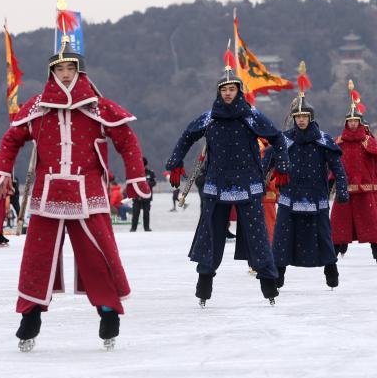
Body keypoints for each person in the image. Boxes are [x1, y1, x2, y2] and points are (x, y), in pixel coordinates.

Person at [0, 3, 151, 351]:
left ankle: (109, 311)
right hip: (47, 196)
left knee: (99, 254)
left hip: (89, 191)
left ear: (80, 70)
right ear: (51, 72)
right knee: (37, 258)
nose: (65, 74)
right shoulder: (37, 107)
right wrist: (3, 169)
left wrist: (136, 177)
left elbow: (126, 139)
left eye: (71, 67)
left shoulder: (97, 105)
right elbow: (11, 138)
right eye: (59, 68)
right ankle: (30, 315)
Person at [166, 54, 287, 306]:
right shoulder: (209, 117)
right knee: (211, 236)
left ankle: (269, 286)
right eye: (224, 89)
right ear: (218, 92)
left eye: (232, 89)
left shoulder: (252, 115)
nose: (228, 93)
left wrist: (282, 166)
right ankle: (204, 286)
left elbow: (277, 138)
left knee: (257, 236)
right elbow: (187, 136)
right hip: (216, 184)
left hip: (248, 183)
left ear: (239, 91)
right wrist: (175, 162)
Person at [271, 62, 348, 289]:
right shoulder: (284, 140)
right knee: (283, 237)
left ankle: (331, 269)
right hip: (289, 196)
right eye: (298, 116)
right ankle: (279, 274)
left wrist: (342, 187)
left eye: (305, 116)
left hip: (317, 196)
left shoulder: (323, 140)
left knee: (324, 236)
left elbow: (337, 166)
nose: (302, 119)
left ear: (311, 117)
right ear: (294, 118)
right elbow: (266, 161)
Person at [330, 82, 377, 263]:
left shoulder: (368, 142)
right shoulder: (339, 142)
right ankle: (334, 252)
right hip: (344, 191)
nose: (353, 124)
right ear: (346, 123)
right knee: (339, 225)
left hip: (366, 190)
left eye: (356, 121)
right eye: (350, 121)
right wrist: (329, 183)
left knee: (372, 224)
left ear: (360, 122)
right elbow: (334, 165)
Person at [130, 157, 156, 232]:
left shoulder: (150, 173)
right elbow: (131, 183)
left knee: (146, 214)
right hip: (136, 197)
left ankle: (147, 228)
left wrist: (147, 184)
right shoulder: (134, 172)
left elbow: (154, 182)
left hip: (147, 197)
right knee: (135, 214)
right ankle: (133, 228)